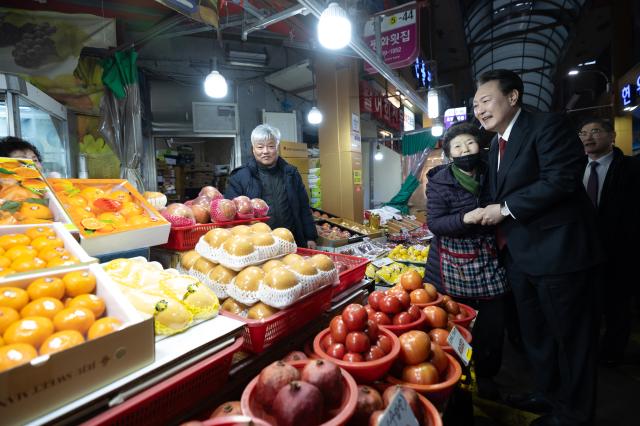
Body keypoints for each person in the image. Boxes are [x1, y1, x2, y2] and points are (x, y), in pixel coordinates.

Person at [471, 69, 602, 426]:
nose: (479, 110)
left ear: (512, 97)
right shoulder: (495, 146)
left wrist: (503, 209)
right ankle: (548, 393)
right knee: (537, 334)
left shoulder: (547, 126)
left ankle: (575, 413)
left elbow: (560, 179)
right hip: (520, 255)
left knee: (571, 337)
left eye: (485, 100)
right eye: (475, 105)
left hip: (559, 252)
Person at [424, 122, 508, 401]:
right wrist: (466, 218)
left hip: (489, 260)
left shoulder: (494, 174)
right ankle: (460, 373)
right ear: (449, 154)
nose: (465, 150)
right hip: (452, 266)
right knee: (458, 324)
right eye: (457, 146)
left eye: (469, 143)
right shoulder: (439, 182)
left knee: (493, 326)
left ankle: (487, 375)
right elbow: (435, 223)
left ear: (479, 146)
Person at [579, 118, 640, 365]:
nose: (588, 137)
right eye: (583, 132)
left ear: (612, 136)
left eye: (595, 131)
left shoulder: (631, 168)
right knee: (586, 305)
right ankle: (587, 350)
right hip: (581, 250)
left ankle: (612, 355)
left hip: (619, 249)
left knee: (617, 305)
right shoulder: (573, 168)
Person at [225, 124, 317, 248]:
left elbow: (303, 207)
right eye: (260, 147)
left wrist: (310, 236)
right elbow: (231, 215)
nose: (265, 151)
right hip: (256, 245)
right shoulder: (240, 177)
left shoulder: (291, 173)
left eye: (271, 146)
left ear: (277, 148)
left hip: (291, 241)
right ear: (253, 149)